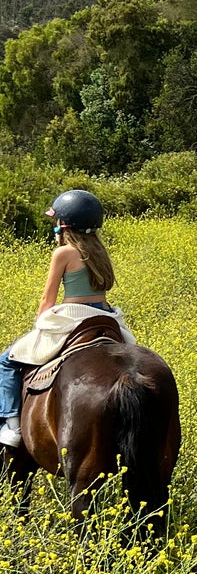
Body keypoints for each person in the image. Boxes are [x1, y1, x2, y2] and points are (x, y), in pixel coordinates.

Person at [0, 189, 134, 449]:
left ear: (64, 224)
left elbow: (47, 300)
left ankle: (13, 426)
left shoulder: (63, 253)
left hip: (73, 317)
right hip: (106, 317)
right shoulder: (100, 250)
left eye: (56, 222)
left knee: (6, 361)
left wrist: (40, 324)